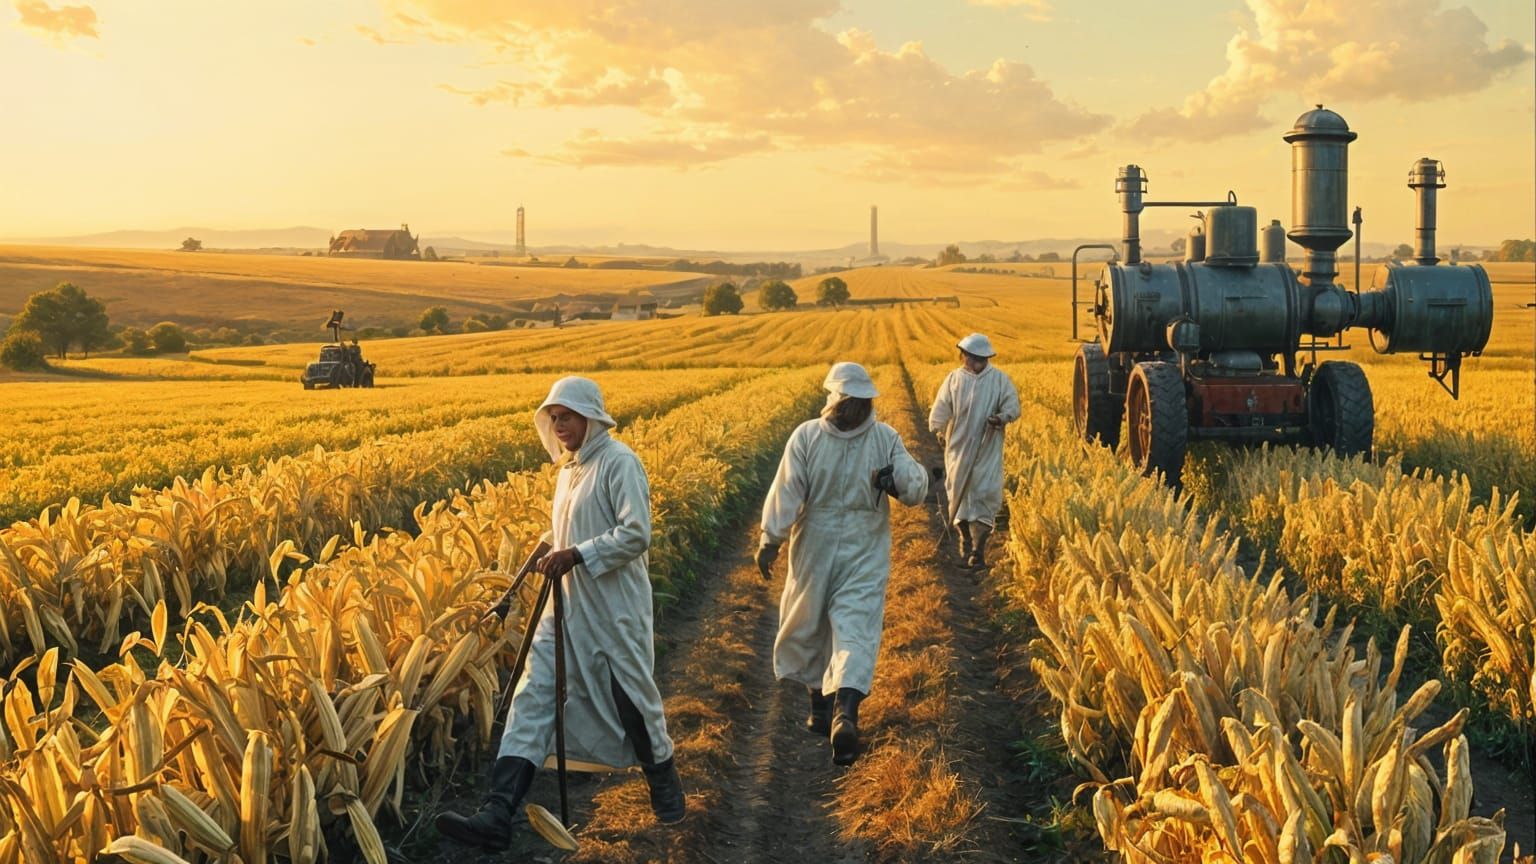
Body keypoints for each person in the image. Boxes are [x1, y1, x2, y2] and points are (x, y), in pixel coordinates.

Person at [437, 377, 685, 848]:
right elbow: (568, 530)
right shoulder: (569, 472)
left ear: (590, 415)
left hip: (613, 609)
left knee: (630, 698)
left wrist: (576, 555)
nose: (559, 425)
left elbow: (637, 534)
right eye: (553, 418)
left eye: (566, 416)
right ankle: (497, 811)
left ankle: (663, 780)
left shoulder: (619, 463)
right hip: (565, 605)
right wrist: (547, 550)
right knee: (533, 696)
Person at [755, 362, 927, 766]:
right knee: (855, 627)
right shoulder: (885, 438)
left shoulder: (807, 436)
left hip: (814, 543)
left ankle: (820, 710)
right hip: (864, 546)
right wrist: (894, 482)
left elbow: (787, 491)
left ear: (832, 397)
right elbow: (916, 487)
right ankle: (844, 713)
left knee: (811, 623)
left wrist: (770, 539)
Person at [927, 333, 1021, 570]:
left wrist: (1000, 418)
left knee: (986, 493)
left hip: (987, 447)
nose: (970, 361)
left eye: (976, 358)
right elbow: (940, 409)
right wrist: (938, 430)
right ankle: (964, 537)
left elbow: (1012, 406)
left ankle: (978, 550)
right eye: (968, 357)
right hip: (958, 447)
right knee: (958, 491)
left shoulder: (999, 380)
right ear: (964, 356)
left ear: (984, 358)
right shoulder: (954, 380)